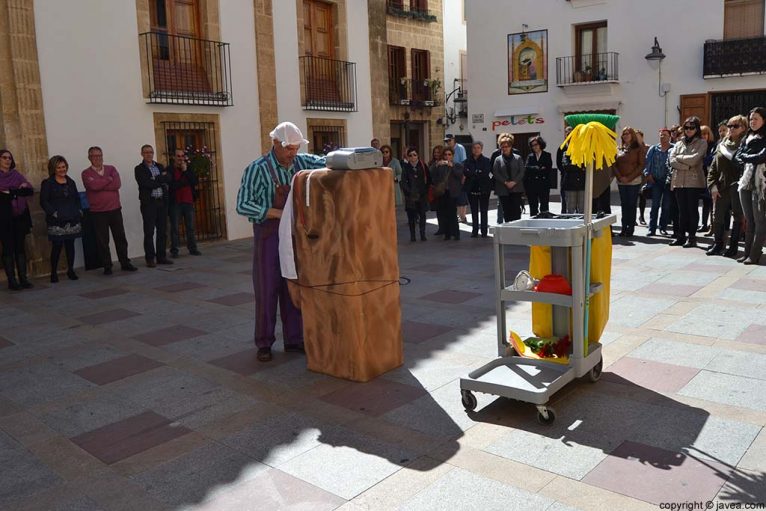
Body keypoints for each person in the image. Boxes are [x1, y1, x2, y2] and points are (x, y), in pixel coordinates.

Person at [236, 121, 326, 362]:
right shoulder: (256, 169)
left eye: (296, 149)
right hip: (269, 235)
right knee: (267, 289)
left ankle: (294, 340)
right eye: (288, 149)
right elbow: (242, 204)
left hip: (293, 235)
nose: (292, 154)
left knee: (292, 286)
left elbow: (327, 162)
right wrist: (275, 213)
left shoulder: (300, 161)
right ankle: (264, 343)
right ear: (275, 144)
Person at [81, 147, 137, 275]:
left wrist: (100, 183)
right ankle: (107, 265)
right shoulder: (86, 173)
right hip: (98, 212)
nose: (97, 158)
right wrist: (107, 180)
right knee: (102, 240)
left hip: (115, 209)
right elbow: (93, 186)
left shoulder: (111, 168)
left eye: (99, 155)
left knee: (120, 237)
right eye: (94, 156)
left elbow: (117, 184)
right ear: (89, 158)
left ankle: (125, 262)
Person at [707, 115, 747, 257]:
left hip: (738, 187)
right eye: (729, 126)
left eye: (735, 126)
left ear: (743, 128)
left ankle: (733, 247)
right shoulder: (721, 145)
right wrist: (712, 186)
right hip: (721, 188)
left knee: (738, 218)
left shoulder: (746, 145)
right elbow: (713, 168)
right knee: (718, 217)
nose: (731, 129)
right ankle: (718, 244)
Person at [40, 155, 81, 283]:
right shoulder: (48, 183)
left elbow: (76, 198)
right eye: (59, 167)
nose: (62, 169)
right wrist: (53, 213)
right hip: (56, 221)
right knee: (57, 246)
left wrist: (78, 210)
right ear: (53, 169)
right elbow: (43, 201)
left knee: (70, 245)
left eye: (63, 167)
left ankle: (71, 270)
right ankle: (53, 272)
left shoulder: (71, 182)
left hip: (71, 219)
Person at [668, 116, 707, 248]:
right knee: (681, 210)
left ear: (697, 129)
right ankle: (680, 236)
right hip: (678, 181)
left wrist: (680, 159)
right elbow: (671, 160)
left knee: (692, 210)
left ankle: (692, 237)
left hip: (694, 182)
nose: (689, 130)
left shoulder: (702, 142)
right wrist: (686, 165)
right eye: (686, 127)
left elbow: (695, 159)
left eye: (692, 127)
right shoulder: (678, 143)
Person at [735, 106, 766, 265]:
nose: (753, 122)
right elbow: (737, 156)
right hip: (745, 181)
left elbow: (762, 157)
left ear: (764, 120)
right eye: (751, 119)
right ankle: (747, 253)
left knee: (760, 220)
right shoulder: (746, 137)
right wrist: (748, 157)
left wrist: (746, 157)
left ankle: (754, 255)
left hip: (760, 183)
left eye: (756, 119)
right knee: (749, 220)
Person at [0, 149, 34, 290]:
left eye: (10, 158)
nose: (8, 160)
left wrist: (11, 192)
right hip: (3, 218)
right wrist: (17, 191)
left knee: (20, 248)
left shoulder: (16, 175)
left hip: (20, 216)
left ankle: (23, 278)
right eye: (4, 157)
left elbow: (29, 190)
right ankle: (12, 281)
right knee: (8, 249)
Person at [135, 144, 173, 267]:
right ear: (142, 154)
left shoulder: (159, 166)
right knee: (149, 232)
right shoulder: (139, 169)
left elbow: (168, 178)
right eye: (146, 152)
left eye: (150, 152)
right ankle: (150, 258)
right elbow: (146, 183)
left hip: (162, 202)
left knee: (162, 231)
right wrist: (159, 179)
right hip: (149, 204)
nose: (149, 154)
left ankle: (161, 257)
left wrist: (155, 179)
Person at [169, 149, 201, 258]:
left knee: (191, 227)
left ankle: (193, 249)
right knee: (175, 228)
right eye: (178, 156)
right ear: (174, 157)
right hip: (175, 203)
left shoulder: (189, 168)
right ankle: (174, 250)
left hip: (188, 202)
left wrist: (185, 171)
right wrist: (184, 181)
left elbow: (194, 182)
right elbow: (172, 186)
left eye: (182, 156)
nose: (180, 158)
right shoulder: (169, 169)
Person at [614, 127, 646, 237]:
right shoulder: (619, 148)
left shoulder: (638, 148)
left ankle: (630, 228)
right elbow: (614, 165)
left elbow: (641, 165)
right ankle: (623, 228)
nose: (625, 135)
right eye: (624, 134)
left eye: (628, 133)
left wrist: (629, 178)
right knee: (624, 204)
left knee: (631, 205)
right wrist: (619, 177)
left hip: (634, 181)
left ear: (632, 135)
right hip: (621, 181)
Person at [429, 146, 464, 240]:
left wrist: (452, 166)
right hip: (443, 192)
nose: (447, 156)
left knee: (452, 213)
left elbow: (459, 175)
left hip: (452, 192)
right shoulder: (441, 165)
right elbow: (432, 175)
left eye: (449, 154)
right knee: (444, 213)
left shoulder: (457, 164)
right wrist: (436, 165)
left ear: (452, 155)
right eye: (445, 154)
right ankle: (447, 234)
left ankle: (456, 234)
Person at [644, 128, 673, 236]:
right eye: (661, 135)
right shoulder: (654, 148)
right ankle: (652, 228)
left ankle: (663, 227)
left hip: (668, 182)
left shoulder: (673, 148)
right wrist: (648, 174)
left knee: (666, 206)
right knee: (655, 205)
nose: (662, 136)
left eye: (665, 135)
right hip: (655, 181)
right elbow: (647, 162)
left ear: (669, 136)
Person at [493, 133, 525, 222]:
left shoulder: (518, 158)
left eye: (507, 146)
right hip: (503, 189)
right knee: (506, 212)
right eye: (502, 147)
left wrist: (514, 182)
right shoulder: (498, 159)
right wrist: (505, 182)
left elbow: (521, 172)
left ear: (511, 147)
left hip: (516, 188)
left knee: (516, 211)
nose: (505, 148)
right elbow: (496, 172)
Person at [463, 141, 492, 237]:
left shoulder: (486, 160)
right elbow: (466, 172)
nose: (476, 150)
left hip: (484, 188)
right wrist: (476, 172)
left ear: (481, 149)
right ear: (472, 149)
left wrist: (473, 173)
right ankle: (474, 230)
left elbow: (485, 173)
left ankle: (484, 231)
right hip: (471, 188)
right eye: (474, 148)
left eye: (478, 148)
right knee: (474, 210)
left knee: (484, 210)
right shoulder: (467, 161)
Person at [400, 147, 429, 242]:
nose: (413, 157)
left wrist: (424, 190)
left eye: (414, 155)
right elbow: (403, 182)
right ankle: (413, 235)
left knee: (422, 215)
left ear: (417, 156)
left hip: (421, 195)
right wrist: (409, 192)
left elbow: (428, 179)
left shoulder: (423, 166)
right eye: (410, 155)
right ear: (408, 157)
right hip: (411, 196)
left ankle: (422, 234)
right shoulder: (405, 168)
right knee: (411, 217)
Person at [524, 136, 553, 216]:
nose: (535, 147)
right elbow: (527, 168)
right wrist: (539, 168)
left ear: (540, 144)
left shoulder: (547, 155)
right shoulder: (530, 156)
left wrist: (534, 169)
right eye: (532, 145)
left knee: (544, 207)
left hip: (544, 185)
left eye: (536, 144)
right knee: (533, 207)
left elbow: (547, 169)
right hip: (532, 185)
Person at [444, 134, 469, 222]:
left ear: (453, 140)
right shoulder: (448, 149)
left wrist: (464, 176)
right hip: (452, 174)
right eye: (446, 141)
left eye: (449, 140)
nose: (448, 142)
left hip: (460, 172)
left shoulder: (460, 148)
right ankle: (459, 215)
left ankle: (463, 215)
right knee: (456, 196)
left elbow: (464, 162)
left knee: (462, 195)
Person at [698, 125, 717, 234]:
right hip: (700, 177)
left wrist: (703, 159)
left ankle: (712, 226)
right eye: (701, 134)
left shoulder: (713, 146)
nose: (704, 136)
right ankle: (704, 224)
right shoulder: (698, 145)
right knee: (705, 203)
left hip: (710, 177)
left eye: (705, 133)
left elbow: (710, 160)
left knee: (711, 204)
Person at [556, 126, 574, 213]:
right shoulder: (562, 147)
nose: (569, 135)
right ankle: (564, 214)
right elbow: (558, 163)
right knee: (564, 198)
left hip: (576, 177)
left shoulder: (578, 147)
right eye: (567, 133)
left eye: (571, 133)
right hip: (565, 176)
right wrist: (564, 171)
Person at [635, 129, 650, 225]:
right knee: (633, 198)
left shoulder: (647, 148)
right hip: (634, 175)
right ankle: (633, 218)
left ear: (642, 137)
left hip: (644, 176)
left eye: (638, 136)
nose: (636, 139)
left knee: (642, 197)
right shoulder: (633, 148)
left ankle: (642, 216)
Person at [429, 145, 445, 235]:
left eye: (438, 152)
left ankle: (446, 227)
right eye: (435, 152)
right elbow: (430, 173)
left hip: (444, 188)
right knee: (438, 210)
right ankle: (441, 228)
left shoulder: (444, 162)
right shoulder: (432, 163)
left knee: (444, 210)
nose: (436, 154)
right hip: (436, 189)